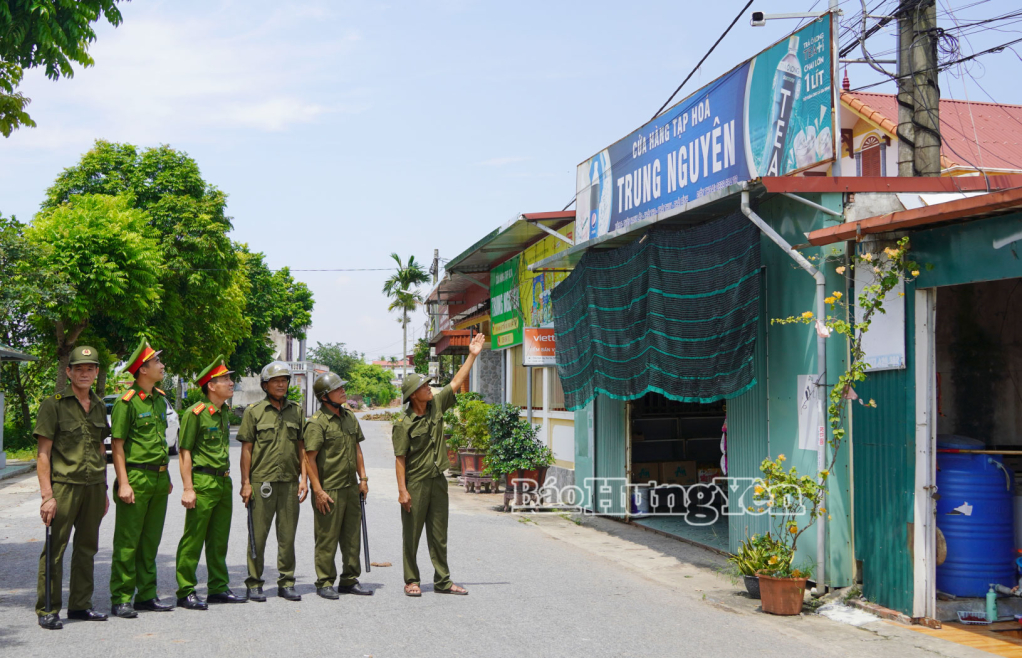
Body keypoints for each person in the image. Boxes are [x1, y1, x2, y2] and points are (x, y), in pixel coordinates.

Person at [393, 332, 485, 597]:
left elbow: (457, 381)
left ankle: (443, 581)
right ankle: (411, 580)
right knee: (412, 535)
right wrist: (402, 490)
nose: (429, 389)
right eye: (424, 387)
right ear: (413, 395)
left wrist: (472, 355)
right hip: (416, 483)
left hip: (437, 481)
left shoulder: (436, 406)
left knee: (438, 534)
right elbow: (400, 460)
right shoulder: (404, 424)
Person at [34, 346, 111, 630]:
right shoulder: (53, 404)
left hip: (92, 487)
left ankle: (80, 605)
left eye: (90, 369)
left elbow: (102, 451)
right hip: (64, 487)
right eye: (79, 368)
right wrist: (47, 496)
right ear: (69, 372)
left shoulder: (100, 405)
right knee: (55, 548)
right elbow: (43, 454)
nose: (84, 373)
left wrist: (103, 489)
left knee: (87, 548)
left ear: (96, 372)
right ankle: (48, 609)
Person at [174, 355, 247, 610]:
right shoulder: (195, 413)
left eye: (229, 377)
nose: (230, 381)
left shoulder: (225, 411)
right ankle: (185, 590)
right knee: (193, 538)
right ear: (211, 386)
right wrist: (188, 488)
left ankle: (217, 587)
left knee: (219, 539)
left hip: (223, 481)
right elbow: (185, 452)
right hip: (203, 481)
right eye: (225, 378)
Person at [109, 338, 174, 618]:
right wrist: (123, 482)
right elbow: (118, 445)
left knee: (150, 541)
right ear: (142, 370)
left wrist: (167, 475)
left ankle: (146, 595)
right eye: (156, 362)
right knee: (128, 541)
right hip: (135, 477)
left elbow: (160, 442)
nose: (162, 366)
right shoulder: (127, 403)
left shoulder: (159, 399)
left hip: (159, 478)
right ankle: (121, 596)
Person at [237, 361, 308, 602]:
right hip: (261, 482)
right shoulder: (253, 411)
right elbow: (246, 450)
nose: (281, 384)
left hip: (289, 482)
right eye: (276, 380)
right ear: (265, 385)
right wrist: (245, 483)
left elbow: (302, 448)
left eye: (285, 380)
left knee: (287, 536)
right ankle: (254, 583)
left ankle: (286, 582)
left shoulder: (297, 411)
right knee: (258, 535)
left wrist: (304, 480)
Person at [305, 372, 372, 599]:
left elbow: (357, 449)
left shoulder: (349, 417)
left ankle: (349, 579)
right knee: (327, 537)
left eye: (343, 387)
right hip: (329, 488)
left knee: (352, 535)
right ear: (325, 397)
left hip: (350, 486)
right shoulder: (317, 423)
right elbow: (309, 459)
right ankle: (324, 581)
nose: (343, 391)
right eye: (337, 389)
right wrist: (318, 491)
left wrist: (362, 479)